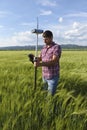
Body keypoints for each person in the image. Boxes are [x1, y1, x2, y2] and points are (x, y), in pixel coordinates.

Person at [34, 30, 62, 96]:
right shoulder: (43, 48)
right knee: (45, 93)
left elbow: (54, 61)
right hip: (44, 76)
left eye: (46, 39)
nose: (44, 41)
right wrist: (35, 59)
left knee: (50, 97)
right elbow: (40, 58)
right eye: (43, 39)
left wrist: (40, 64)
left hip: (52, 77)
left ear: (51, 38)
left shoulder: (56, 47)